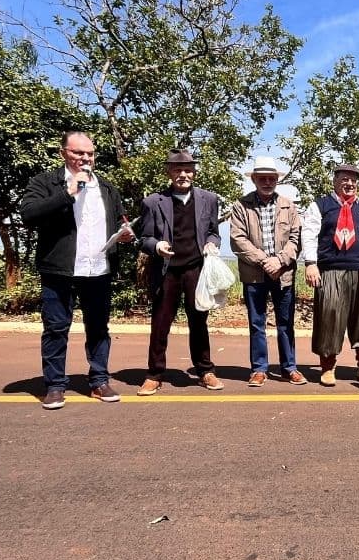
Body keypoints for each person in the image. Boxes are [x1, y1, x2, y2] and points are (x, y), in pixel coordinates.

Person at [19, 131, 136, 410]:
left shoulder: (106, 188)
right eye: (78, 153)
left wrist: (126, 233)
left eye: (89, 154)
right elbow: (29, 214)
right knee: (56, 329)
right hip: (59, 271)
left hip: (98, 270)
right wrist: (68, 192)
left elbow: (121, 220)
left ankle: (99, 381)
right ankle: (55, 386)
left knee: (98, 329)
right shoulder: (46, 182)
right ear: (63, 153)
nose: (85, 159)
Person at [137, 150, 223, 395]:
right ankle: (154, 374)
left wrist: (212, 243)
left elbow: (213, 232)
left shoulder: (209, 199)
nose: (183, 175)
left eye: (187, 170)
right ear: (169, 173)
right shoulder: (153, 202)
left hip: (196, 269)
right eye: (177, 170)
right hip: (167, 271)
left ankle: (205, 371)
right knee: (160, 324)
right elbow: (144, 238)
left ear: (194, 173)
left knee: (199, 322)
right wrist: (157, 246)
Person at [301, 163, 359, 387]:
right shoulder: (320, 205)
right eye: (345, 180)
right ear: (335, 181)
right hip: (330, 271)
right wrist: (311, 263)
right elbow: (309, 234)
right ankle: (328, 367)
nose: (349, 184)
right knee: (329, 319)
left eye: (353, 180)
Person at [229, 156, 306, 387]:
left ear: (277, 180)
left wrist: (280, 261)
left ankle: (289, 368)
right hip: (254, 274)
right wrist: (265, 261)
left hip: (283, 274)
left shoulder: (288, 206)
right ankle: (259, 369)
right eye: (262, 178)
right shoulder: (241, 206)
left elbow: (296, 238)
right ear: (253, 179)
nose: (267, 182)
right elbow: (237, 239)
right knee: (256, 323)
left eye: (271, 178)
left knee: (286, 323)